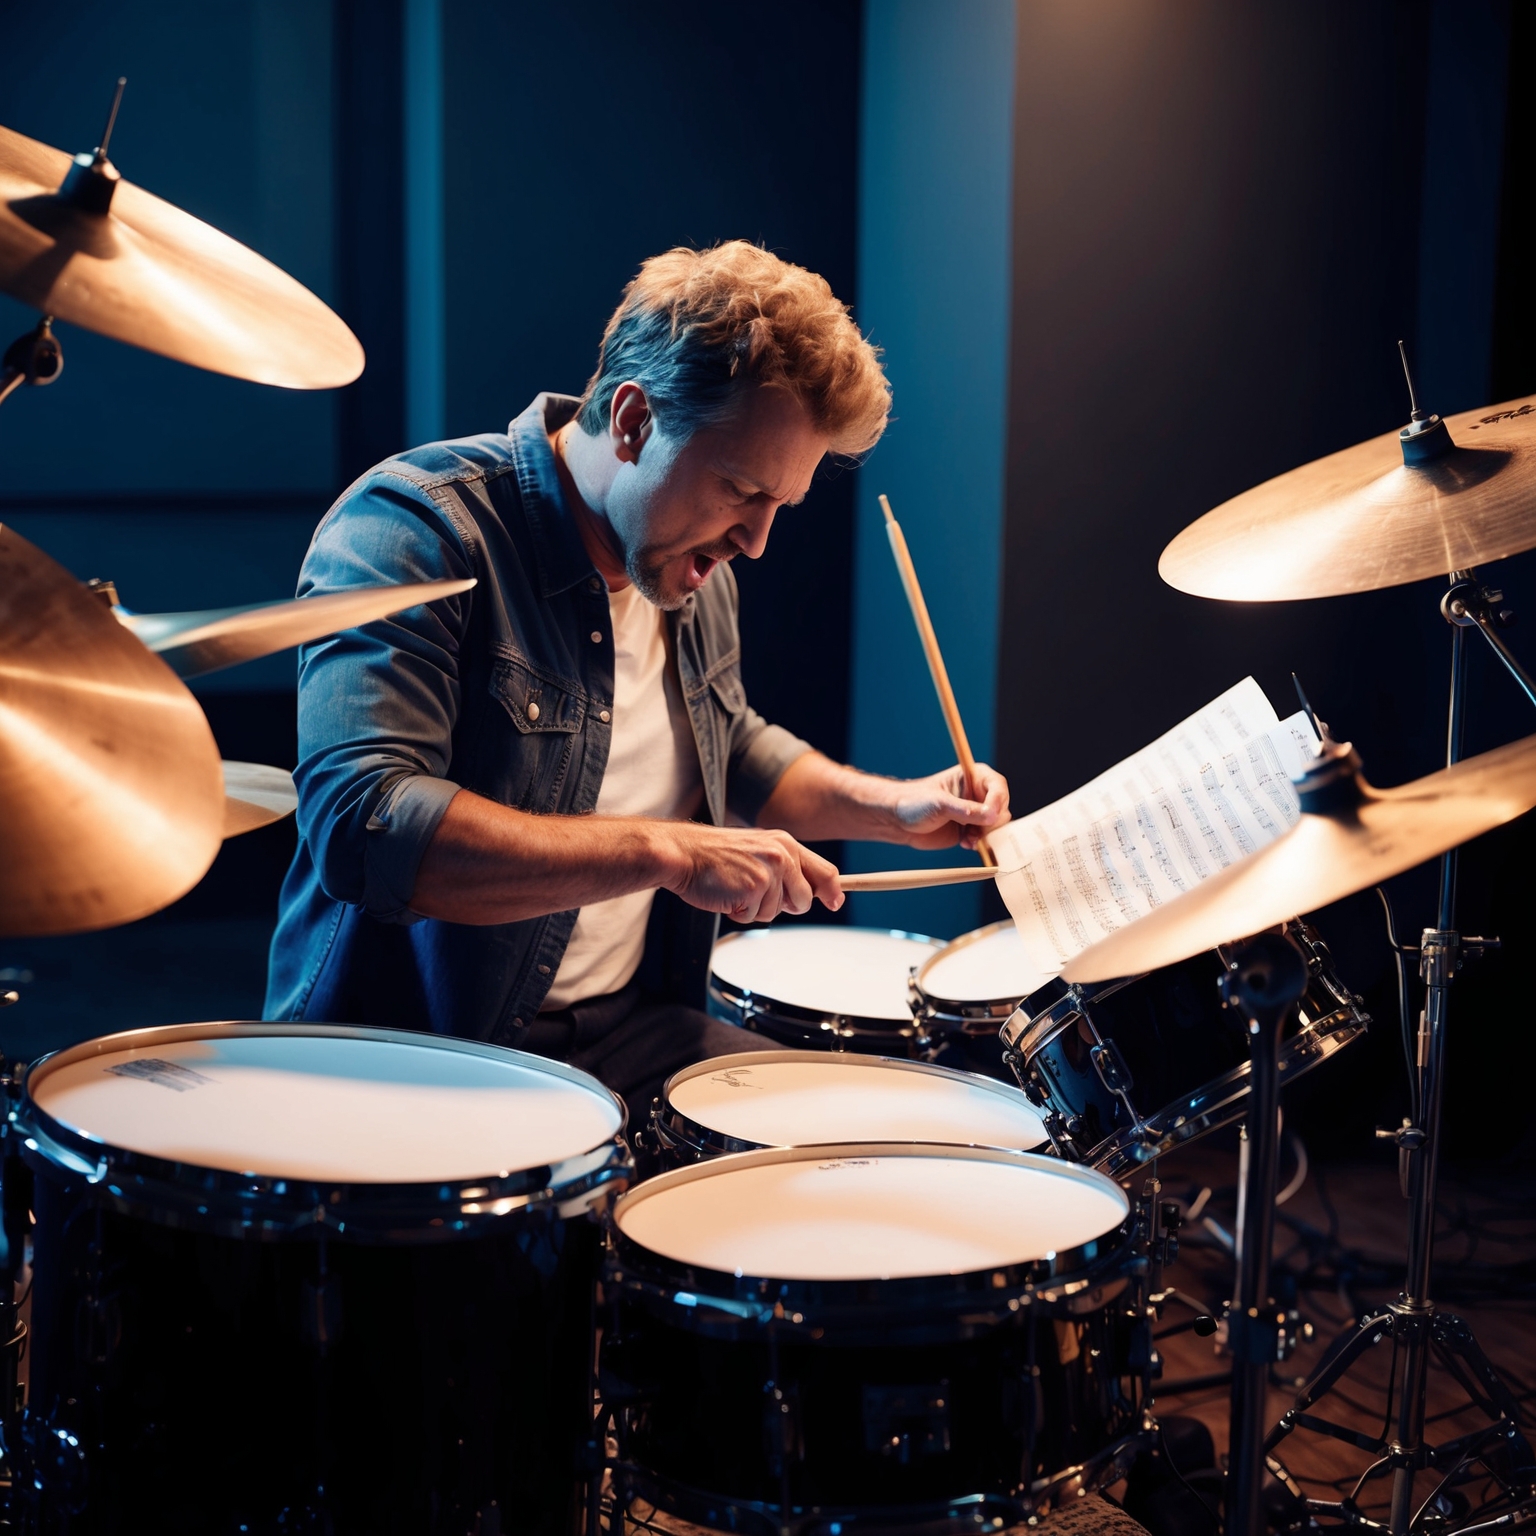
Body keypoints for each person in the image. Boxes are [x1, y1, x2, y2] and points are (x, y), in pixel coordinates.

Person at [265, 241, 1010, 1112]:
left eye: (780, 508)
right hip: (419, 1049)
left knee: (850, 1147)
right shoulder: (414, 530)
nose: (756, 542)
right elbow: (367, 828)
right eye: (740, 490)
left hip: (628, 1025)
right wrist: (668, 852)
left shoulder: (691, 567)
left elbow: (728, 741)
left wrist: (894, 809)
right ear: (632, 422)